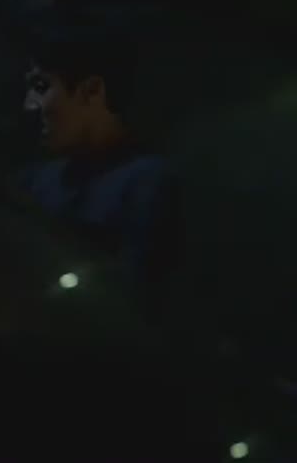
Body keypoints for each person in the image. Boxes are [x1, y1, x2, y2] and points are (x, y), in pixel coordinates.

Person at [19, 29, 181, 319]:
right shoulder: (37, 179)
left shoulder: (148, 183)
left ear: (92, 91)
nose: (30, 104)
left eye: (42, 86)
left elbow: (133, 302)